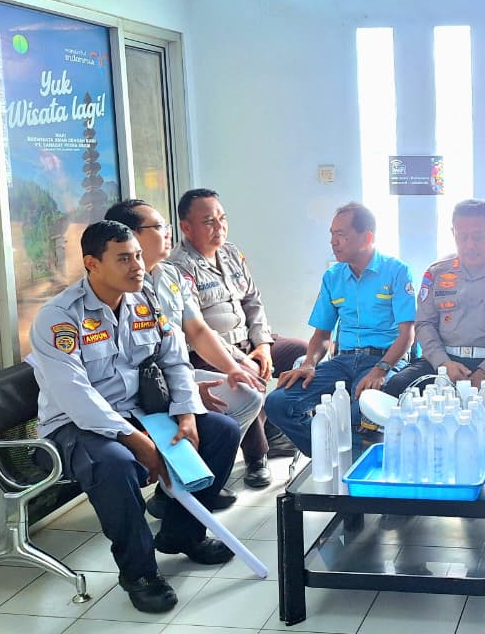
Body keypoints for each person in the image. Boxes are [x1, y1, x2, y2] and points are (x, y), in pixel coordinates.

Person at [29, 221, 241, 614]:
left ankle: (183, 534)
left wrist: (186, 414)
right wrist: (135, 439)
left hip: (141, 413)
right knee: (115, 464)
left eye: (139, 256)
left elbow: (175, 361)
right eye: (124, 258)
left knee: (222, 432)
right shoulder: (59, 318)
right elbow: (76, 396)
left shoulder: (146, 301)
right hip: (74, 427)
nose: (138, 266)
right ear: (92, 264)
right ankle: (139, 573)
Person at [105, 200, 267, 504]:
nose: (168, 233)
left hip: (172, 375)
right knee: (218, 419)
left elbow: (198, 331)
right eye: (158, 227)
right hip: (135, 390)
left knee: (247, 395)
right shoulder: (114, 287)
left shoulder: (170, 276)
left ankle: (194, 480)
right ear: (131, 236)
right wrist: (184, 394)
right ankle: (179, 489)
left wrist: (233, 368)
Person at [168, 188, 307, 485]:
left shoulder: (232, 253)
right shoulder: (178, 267)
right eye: (209, 221)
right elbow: (198, 331)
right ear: (186, 227)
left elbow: (253, 302)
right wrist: (243, 360)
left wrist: (263, 346)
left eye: (222, 218)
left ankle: (275, 426)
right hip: (211, 352)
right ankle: (257, 455)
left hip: (249, 340)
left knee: (302, 353)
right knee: (245, 381)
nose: (219, 227)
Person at [264, 202, 416, 457]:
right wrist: (309, 363)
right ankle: (331, 454)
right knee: (278, 403)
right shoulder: (333, 276)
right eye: (332, 234)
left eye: (341, 234)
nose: (333, 242)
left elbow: (407, 335)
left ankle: (350, 462)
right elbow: (322, 335)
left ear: (367, 237)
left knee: (360, 410)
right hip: (342, 362)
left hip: (382, 360)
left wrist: (381, 370)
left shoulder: (396, 271)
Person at [385, 199, 485, 422]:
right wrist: (443, 363)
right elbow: (424, 324)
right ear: (453, 234)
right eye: (462, 237)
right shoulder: (437, 272)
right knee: (397, 388)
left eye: (477, 237)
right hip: (445, 361)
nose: (469, 245)